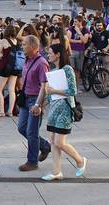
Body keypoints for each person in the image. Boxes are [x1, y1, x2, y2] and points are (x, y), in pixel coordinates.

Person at [40, 44, 87, 181]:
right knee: (53, 142)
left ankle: (80, 160)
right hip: (54, 109)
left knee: (60, 142)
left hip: (65, 109)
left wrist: (54, 91)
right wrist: (45, 100)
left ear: (58, 54)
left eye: (50, 53)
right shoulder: (54, 70)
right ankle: (56, 171)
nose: (48, 55)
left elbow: (72, 91)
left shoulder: (67, 69)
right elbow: (51, 95)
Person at [17, 35, 52, 172]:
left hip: (35, 100)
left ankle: (32, 162)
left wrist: (39, 105)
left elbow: (45, 86)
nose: (22, 46)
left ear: (33, 46)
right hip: (26, 99)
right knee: (22, 128)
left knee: (32, 132)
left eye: (24, 44)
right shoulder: (27, 60)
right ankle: (44, 146)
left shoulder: (41, 62)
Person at [0, 25, 21, 117]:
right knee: (11, 90)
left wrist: (0, 54)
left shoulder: (4, 41)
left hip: (5, 68)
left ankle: (1, 111)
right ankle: (10, 111)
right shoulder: (16, 41)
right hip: (15, 68)